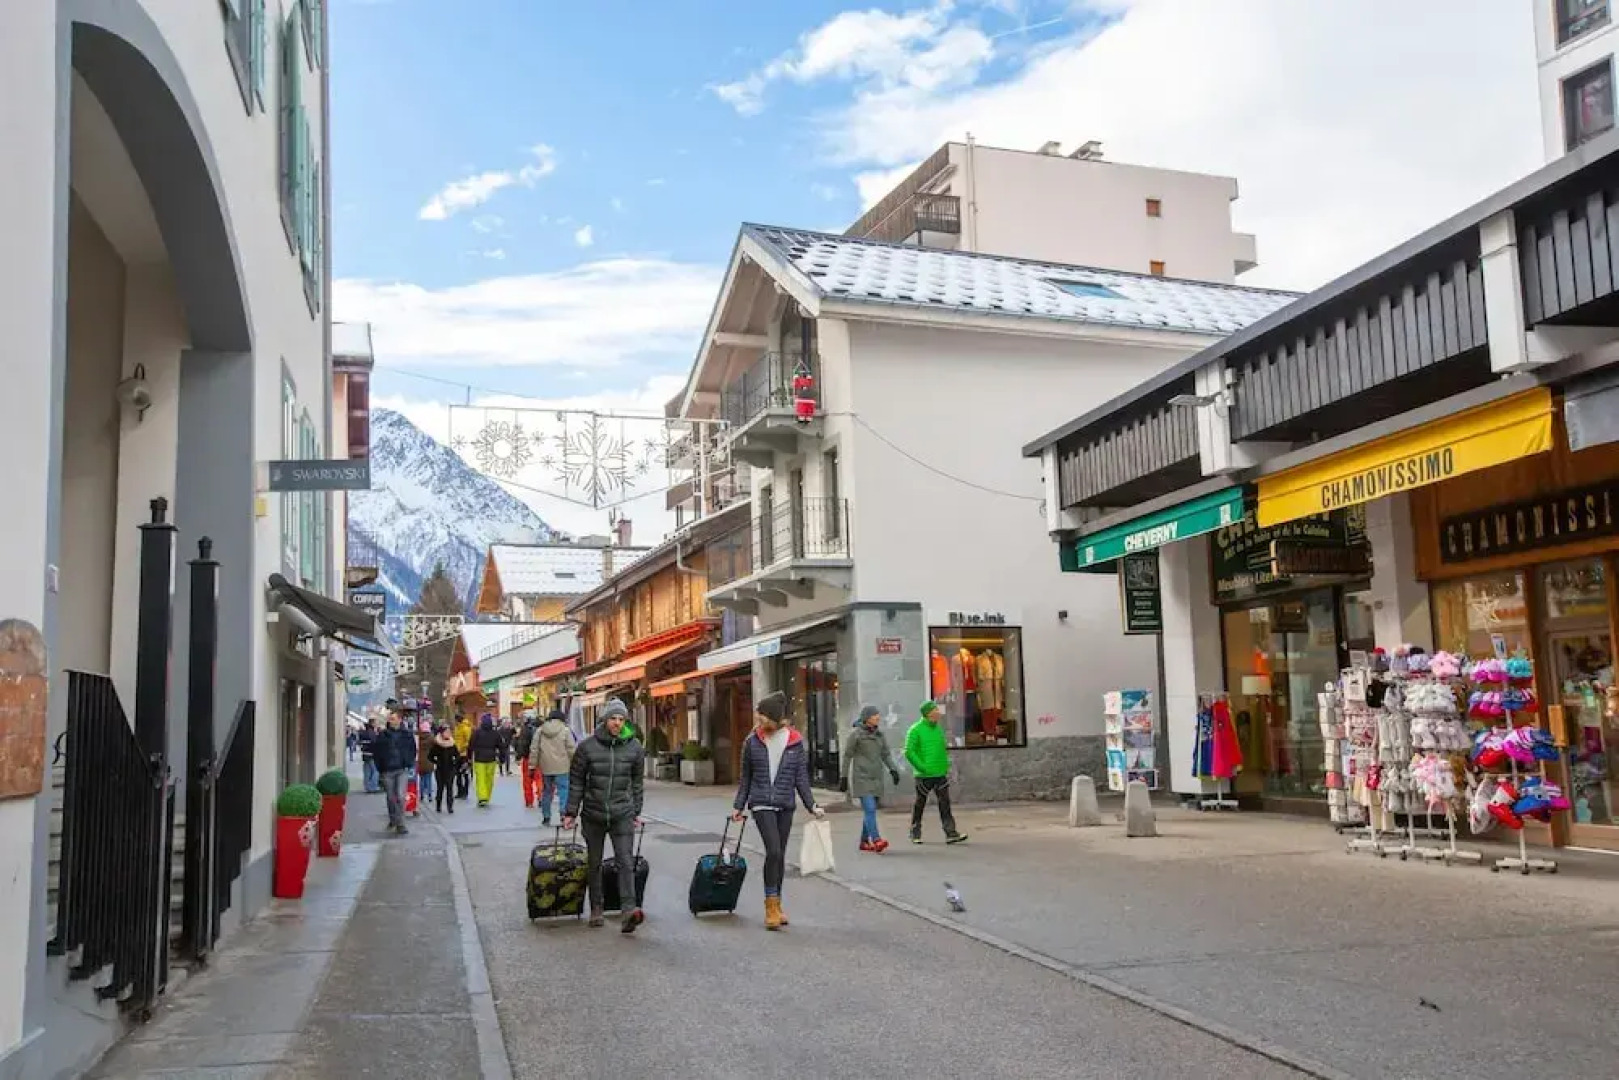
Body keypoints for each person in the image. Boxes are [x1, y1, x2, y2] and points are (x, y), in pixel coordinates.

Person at [732, 691, 823, 931]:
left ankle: (778, 903)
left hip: (785, 803)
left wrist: (811, 804)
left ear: (775, 718)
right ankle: (770, 906)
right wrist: (739, 806)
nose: (759, 721)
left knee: (780, 855)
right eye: (758, 716)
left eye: (763, 717)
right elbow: (746, 778)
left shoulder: (794, 741)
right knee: (772, 850)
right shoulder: (752, 741)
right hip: (761, 802)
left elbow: (801, 778)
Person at [562, 700, 645, 932]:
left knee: (626, 861)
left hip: (622, 812)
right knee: (594, 863)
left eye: (621, 719)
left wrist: (636, 810)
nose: (617, 723)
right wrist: (571, 812)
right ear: (604, 720)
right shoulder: (587, 747)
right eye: (613, 719)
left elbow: (637, 783)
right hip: (593, 813)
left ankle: (628, 911)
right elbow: (576, 782)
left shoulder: (635, 748)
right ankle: (596, 908)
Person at [841, 704, 901, 853]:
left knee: (870, 811)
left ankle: (863, 841)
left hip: (876, 777)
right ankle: (876, 839)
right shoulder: (856, 735)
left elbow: (886, 754)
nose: (878, 717)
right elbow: (847, 756)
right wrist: (843, 777)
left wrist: (893, 769)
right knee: (870, 809)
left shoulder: (880, 735)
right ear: (867, 718)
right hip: (862, 777)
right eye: (875, 715)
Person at [905, 700, 966, 845]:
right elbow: (908, 751)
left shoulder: (938, 729)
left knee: (945, 803)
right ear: (928, 713)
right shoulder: (915, 730)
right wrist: (922, 767)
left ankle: (951, 833)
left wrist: (945, 766)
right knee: (920, 803)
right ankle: (915, 831)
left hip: (939, 773)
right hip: (924, 775)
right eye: (935, 710)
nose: (938, 713)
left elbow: (941, 749)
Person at [372, 708, 418, 835]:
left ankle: (401, 824)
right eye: (390, 719)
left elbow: (412, 750)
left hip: (401, 769)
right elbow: (377, 753)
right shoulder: (383, 735)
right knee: (391, 797)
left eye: (393, 719)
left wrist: (408, 762)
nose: (391, 721)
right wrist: (380, 768)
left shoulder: (407, 735)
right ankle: (393, 819)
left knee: (401, 796)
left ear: (399, 720)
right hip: (387, 770)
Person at [530, 704, 578, 826]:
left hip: (546, 767)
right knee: (564, 791)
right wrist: (576, 763)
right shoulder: (566, 730)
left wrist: (532, 766)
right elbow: (571, 748)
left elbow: (534, 749)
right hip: (563, 767)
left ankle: (546, 817)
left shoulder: (540, 731)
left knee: (547, 792)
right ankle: (563, 814)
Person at [469, 715, 502, 807]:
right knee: (489, 779)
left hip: (479, 758)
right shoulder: (495, 733)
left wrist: (468, 758)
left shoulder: (476, 733)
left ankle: (482, 797)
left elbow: (471, 745)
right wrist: (502, 758)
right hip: (491, 758)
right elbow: (501, 746)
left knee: (480, 778)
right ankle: (487, 796)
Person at [429, 723, 463, 814]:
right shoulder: (437, 744)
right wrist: (436, 762)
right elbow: (430, 756)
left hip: (450, 769)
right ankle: (438, 805)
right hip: (440, 769)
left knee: (449, 788)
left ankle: (450, 807)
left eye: (449, 732)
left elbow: (457, 755)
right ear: (441, 733)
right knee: (440, 788)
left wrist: (455, 761)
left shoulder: (452, 744)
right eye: (446, 732)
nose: (448, 733)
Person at [514, 709, 541, 808]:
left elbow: (522, 744)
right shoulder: (541, 727)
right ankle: (541, 796)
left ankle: (529, 801)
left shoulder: (525, 729)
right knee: (539, 779)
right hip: (540, 758)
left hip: (528, 758)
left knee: (527, 780)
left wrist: (518, 756)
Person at [415, 718, 437, 809]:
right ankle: (429, 796)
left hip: (420, 760)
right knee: (428, 779)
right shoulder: (432, 737)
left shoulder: (418, 737)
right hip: (429, 760)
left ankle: (421, 795)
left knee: (421, 779)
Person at [453, 714, 473, 799]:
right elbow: (455, 739)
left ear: (458, 720)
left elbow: (468, 742)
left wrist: (461, 748)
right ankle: (459, 792)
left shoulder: (466, 728)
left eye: (455, 720)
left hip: (464, 755)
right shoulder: (456, 728)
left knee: (465, 774)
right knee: (458, 774)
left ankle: (465, 793)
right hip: (457, 754)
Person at [358, 720, 380, 793]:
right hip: (372, 754)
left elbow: (360, 743)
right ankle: (373, 787)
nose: (377, 724)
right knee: (376, 771)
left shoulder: (364, 732)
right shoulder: (372, 733)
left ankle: (367, 786)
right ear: (372, 724)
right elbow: (375, 744)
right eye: (376, 723)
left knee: (367, 771)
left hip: (365, 754)